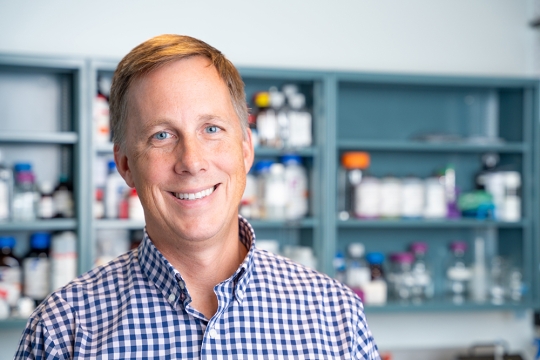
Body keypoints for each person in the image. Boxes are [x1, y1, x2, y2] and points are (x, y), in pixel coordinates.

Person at [15, 34, 380, 359]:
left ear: (246, 150)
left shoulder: (336, 315)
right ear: (125, 164)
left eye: (211, 128)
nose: (191, 162)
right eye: (161, 135)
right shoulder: (62, 331)